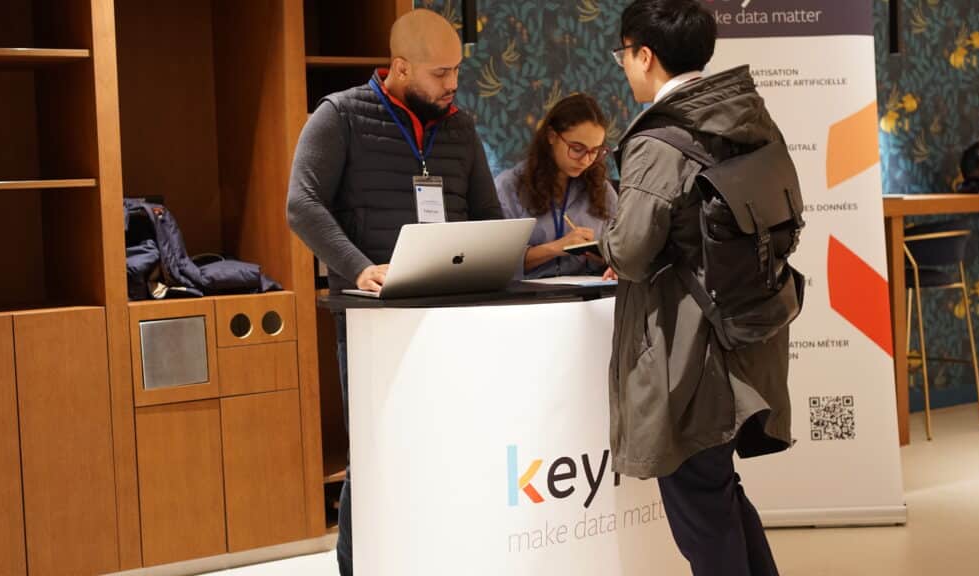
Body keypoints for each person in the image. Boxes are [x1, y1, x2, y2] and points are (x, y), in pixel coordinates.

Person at [285, 9, 502, 575]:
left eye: (457, 70)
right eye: (440, 73)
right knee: (377, 452)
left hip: (454, 317)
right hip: (373, 322)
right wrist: (358, 269)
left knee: (447, 450)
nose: (453, 83)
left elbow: (488, 213)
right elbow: (302, 205)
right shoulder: (340, 115)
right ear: (401, 68)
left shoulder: (460, 128)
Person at [600, 1, 795, 574]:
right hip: (748, 336)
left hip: (688, 354)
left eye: (623, 54)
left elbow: (631, 251)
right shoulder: (750, 118)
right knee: (716, 492)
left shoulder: (659, 140)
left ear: (644, 55)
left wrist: (603, 239)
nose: (624, 66)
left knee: (703, 513)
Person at [493, 94, 618, 278]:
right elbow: (496, 263)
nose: (586, 160)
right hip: (527, 294)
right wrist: (556, 248)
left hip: (588, 293)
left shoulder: (602, 189)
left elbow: (622, 249)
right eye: (577, 149)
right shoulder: (510, 186)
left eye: (595, 151)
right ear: (552, 136)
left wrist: (608, 260)